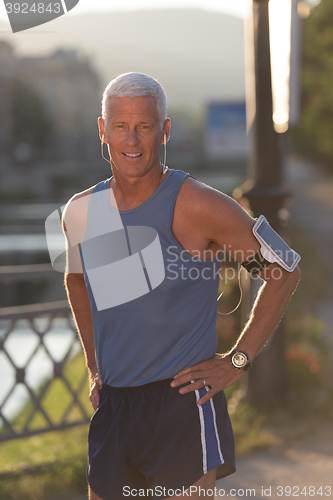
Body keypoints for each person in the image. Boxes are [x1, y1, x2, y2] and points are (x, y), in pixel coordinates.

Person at [62, 72, 300, 500]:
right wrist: (94, 365)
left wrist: (238, 360)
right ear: (103, 130)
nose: (132, 140)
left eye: (145, 126)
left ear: (164, 130)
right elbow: (76, 281)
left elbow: (283, 270)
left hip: (181, 405)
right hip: (114, 408)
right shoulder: (81, 211)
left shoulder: (199, 205)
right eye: (120, 126)